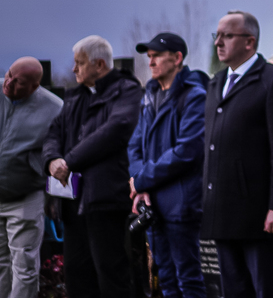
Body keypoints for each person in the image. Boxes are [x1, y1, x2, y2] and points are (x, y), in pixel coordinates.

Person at [202, 11, 273, 298]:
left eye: (227, 36)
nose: (218, 43)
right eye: (217, 36)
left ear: (249, 41)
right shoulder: (216, 83)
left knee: (266, 290)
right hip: (222, 211)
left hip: (259, 214)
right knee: (234, 291)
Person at [42, 35, 143, 298]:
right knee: (76, 275)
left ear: (99, 65)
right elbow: (54, 132)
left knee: (111, 274)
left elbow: (115, 130)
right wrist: (52, 159)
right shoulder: (75, 97)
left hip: (104, 198)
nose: (74, 69)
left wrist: (69, 161)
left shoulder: (126, 90)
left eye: (79, 63)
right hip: (72, 201)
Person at [128, 33, 208, 298]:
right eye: (149, 57)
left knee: (188, 278)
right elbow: (134, 146)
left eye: (157, 56)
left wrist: (141, 181)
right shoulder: (149, 96)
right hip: (152, 204)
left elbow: (187, 151)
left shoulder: (194, 97)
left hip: (180, 204)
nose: (151, 62)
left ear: (177, 58)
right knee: (164, 276)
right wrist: (140, 186)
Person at [0, 57, 62, 298]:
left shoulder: (54, 108)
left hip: (25, 195)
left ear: (36, 86)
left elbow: (58, 151)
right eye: (9, 75)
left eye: (19, 82)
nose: (9, 83)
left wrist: (54, 199)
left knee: (24, 265)